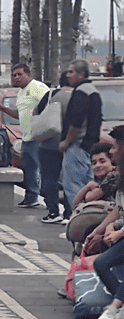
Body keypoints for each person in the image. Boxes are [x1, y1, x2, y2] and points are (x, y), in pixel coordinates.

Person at [82, 126, 124, 319]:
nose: (112, 151)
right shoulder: (119, 175)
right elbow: (119, 209)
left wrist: (118, 233)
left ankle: (115, 308)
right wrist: (101, 230)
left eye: (115, 147)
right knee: (101, 263)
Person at [0, 63, 49, 207]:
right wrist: (4, 109)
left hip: (39, 135)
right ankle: (31, 197)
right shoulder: (21, 93)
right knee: (29, 168)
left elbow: (51, 104)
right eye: (14, 75)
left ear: (29, 75)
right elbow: (19, 115)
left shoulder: (37, 87)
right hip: (26, 136)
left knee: (39, 168)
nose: (16, 77)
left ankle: (41, 198)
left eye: (20, 74)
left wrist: (39, 114)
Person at [59, 59, 103, 212]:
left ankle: (76, 219)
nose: (68, 75)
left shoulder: (81, 92)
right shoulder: (93, 91)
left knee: (73, 187)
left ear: (81, 74)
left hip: (77, 145)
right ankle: (89, 219)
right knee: (88, 186)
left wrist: (66, 141)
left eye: (72, 72)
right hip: (90, 146)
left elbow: (76, 121)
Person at [35, 71, 73, 224]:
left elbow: (36, 112)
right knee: (70, 179)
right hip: (71, 145)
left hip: (49, 143)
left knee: (49, 179)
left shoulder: (51, 95)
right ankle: (69, 213)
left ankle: (53, 212)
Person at [73, 142, 118, 206]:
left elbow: (90, 198)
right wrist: (88, 187)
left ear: (113, 162)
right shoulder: (99, 180)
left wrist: (89, 189)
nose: (97, 165)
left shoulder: (115, 176)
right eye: (94, 163)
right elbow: (75, 204)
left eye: (102, 161)